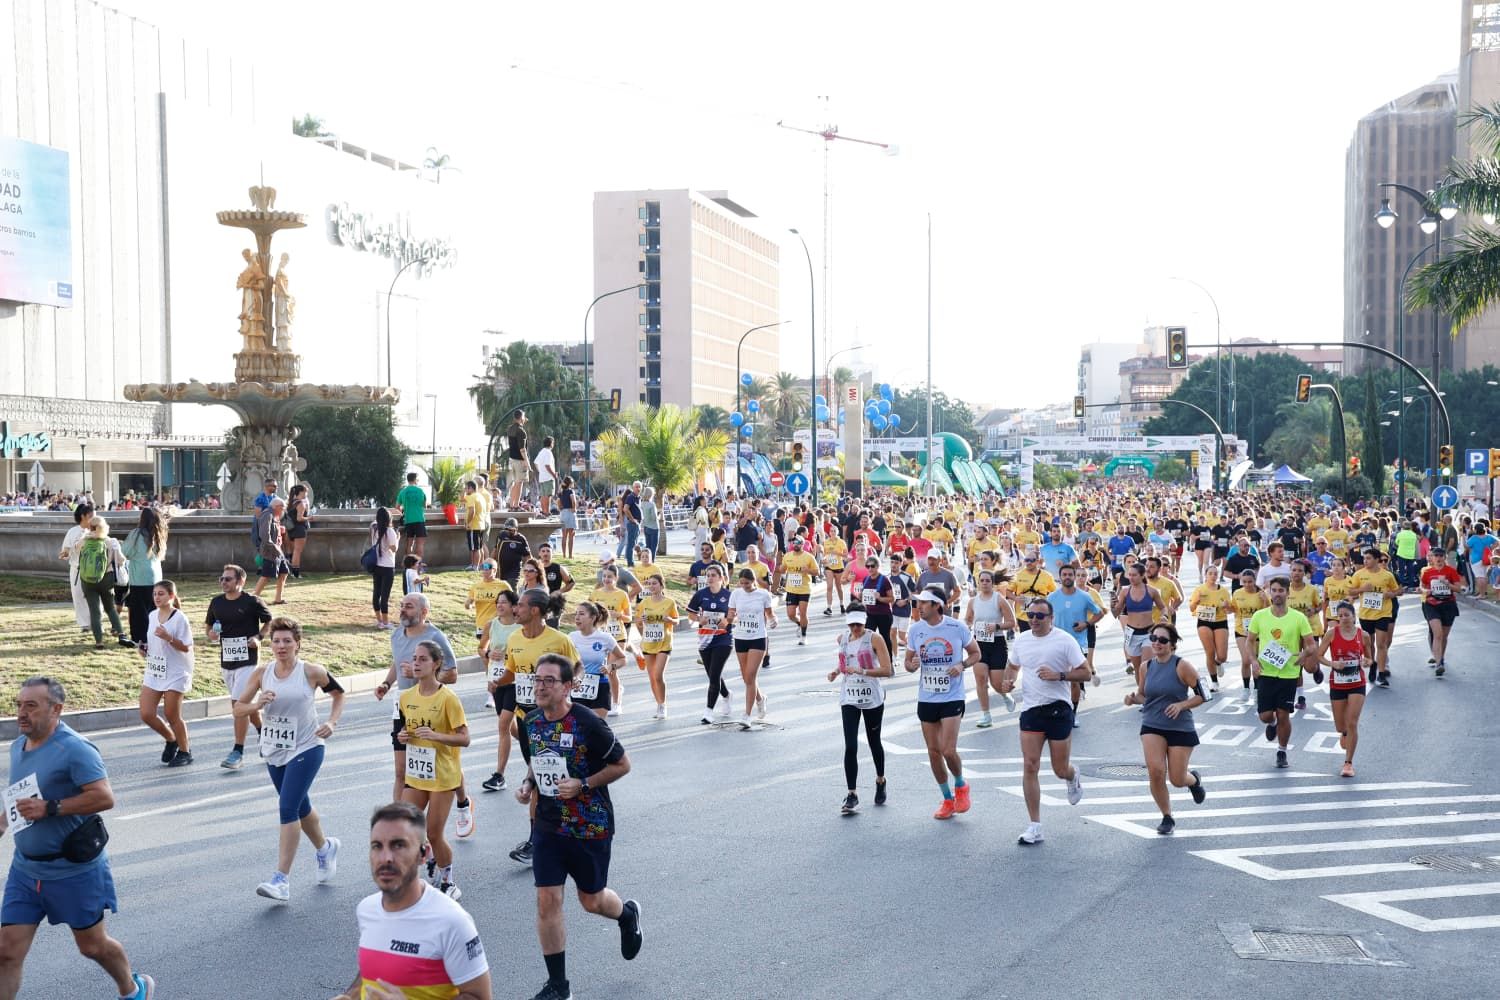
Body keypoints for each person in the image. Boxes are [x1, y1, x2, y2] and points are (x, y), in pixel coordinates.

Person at [0, 677, 155, 1000]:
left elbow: (104, 797)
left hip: (72, 871)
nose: (21, 713)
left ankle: (133, 988)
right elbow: (20, 798)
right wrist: (3, 821)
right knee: (6, 951)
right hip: (25, 871)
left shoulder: (75, 749)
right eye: (19, 705)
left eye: (31, 706)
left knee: (92, 946)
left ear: (56, 709)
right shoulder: (18, 746)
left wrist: (51, 808)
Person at [514, 653, 641, 1000]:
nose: (540, 687)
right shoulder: (531, 722)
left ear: (568, 686)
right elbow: (537, 761)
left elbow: (623, 765)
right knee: (547, 900)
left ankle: (627, 914)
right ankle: (559, 986)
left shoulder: (588, 723)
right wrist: (528, 785)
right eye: (537, 680)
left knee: (591, 900)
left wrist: (583, 784)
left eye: (549, 680)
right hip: (549, 826)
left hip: (589, 826)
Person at [330, 801, 490, 1000]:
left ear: (424, 854)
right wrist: (349, 995)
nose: (385, 858)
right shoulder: (366, 909)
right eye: (377, 846)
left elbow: (479, 996)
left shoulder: (452, 921)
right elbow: (374, 971)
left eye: (398, 845)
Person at [233, 616, 343, 902]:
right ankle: (325, 848)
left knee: (287, 807)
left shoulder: (311, 671)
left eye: (287, 641)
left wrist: (331, 722)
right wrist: (257, 705)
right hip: (275, 749)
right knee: (300, 806)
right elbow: (238, 709)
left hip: (307, 746)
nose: (281, 646)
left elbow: (338, 694)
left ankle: (281, 879)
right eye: (276, 641)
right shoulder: (262, 673)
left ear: (298, 644)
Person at [373, 594, 470, 838]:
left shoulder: (435, 637)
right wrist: (386, 683)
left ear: (424, 612)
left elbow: (452, 674)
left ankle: (463, 801)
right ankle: (399, 825)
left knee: (443, 762)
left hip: (433, 704)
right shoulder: (397, 634)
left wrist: (420, 675)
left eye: (409, 607)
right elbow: (397, 663)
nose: (403, 610)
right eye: (401, 606)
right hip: (404, 704)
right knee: (401, 770)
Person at [996, 597, 1087, 844]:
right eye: (1030, 615)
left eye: (1039, 616)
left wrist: (1059, 675)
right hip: (1032, 710)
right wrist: (1008, 681)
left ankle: (1072, 775)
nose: (1034, 620)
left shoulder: (1064, 640)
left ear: (1051, 618)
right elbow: (1013, 666)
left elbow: (1086, 673)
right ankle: (1034, 826)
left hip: (1058, 709)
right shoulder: (1022, 640)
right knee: (1030, 765)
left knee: (1060, 769)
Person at [502, 590, 581, 868]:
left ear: (535, 610)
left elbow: (577, 667)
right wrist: (496, 678)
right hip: (527, 720)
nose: (515, 609)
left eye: (520, 605)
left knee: (547, 776)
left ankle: (543, 838)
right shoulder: (514, 638)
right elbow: (512, 672)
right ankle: (543, 837)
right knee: (540, 777)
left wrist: (572, 684)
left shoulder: (559, 640)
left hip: (555, 720)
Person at [397, 640, 470, 901]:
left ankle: (448, 881)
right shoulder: (406, 697)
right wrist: (403, 735)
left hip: (442, 775)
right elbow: (407, 729)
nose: (416, 663)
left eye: (423, 659)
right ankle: (427, 856)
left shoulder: (448, 698)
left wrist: (437, 736)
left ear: (436, 664)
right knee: (405, 825)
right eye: (414, 658)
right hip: (417, 774)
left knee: (434, 832)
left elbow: (465, 738)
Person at [1122, 623, 1207, 835]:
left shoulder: (1183, 666)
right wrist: (1133, 699)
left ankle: (1193, 780)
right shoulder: (1146, 667)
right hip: (1152, 724)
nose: (1157, 643)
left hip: (1180, 727)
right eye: (1153, 638)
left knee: (1177, 779)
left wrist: (1181, 705)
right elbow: (1144, 696)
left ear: (1172, 644)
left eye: (1162, 640)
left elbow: (1204, 695)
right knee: (1156, 771)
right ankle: (1167, 816)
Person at [905, 588, 980, 821]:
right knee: (934, 752)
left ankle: (961, 785)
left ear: (937, 605)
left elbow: (976, 653)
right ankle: (947, 799)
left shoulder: (956, 627)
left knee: (948, 750)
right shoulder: (915, 630)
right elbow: (907, 662)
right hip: (927, 696)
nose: (919, 607)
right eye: (918, 603)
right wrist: (911, 665)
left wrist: (962, 665)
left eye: (924, 603)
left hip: (952, 696)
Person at [828, 605, 893, 815]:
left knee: (874, 742)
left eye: (858, 624)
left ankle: (880, 780)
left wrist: (863, 671)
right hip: (849, 697)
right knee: (850, 746)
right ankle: (852, 794)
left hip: (871, 697)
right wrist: (836, 671)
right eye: (851, 624)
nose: (855, 628)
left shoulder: (875, 639)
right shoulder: (842, 639)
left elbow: (888, 670)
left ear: (864, 622)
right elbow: (846, 662)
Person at [206, 564, 273, 768]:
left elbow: (269, 621)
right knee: (245, 705)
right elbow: (209, 626)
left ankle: (238, 752)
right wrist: (211, 634)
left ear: (240, 581)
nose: (223, 582)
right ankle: (264, 733)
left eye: (228, 579)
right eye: (221, 579)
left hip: (248, 661)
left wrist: (258, 637)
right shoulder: (216, 602)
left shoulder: (252, 601)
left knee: (238, 704)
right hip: (227, 661)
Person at [1249, 576, 1317, 770]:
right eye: (1274, 590)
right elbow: (1250, 641)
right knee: (1265, 715)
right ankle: (1272, 724)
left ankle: (1282, 751)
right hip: (1266, 672)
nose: (1277, 594)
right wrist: (1253, 661)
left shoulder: (1298, 618)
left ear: (1288, 593)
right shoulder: (1260, 616)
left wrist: (1304, 654)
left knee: (1283, 714)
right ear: (1269, 592)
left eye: (1281, 590)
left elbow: (1311, 645)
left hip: (1288, 674)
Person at [137, 580, 194, 767]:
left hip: (176, 671)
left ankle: (185, 751)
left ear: (171, 596)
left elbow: (186, 647)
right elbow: (154, 643)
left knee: (172, 714)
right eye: (154, 594)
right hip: (155, 669)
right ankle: (171, 739)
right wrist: (144, 650)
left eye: (161, 594)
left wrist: (169, 638)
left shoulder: (180, 618)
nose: (156, 597)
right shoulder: (152, 615)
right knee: (146, 713)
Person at [1314, 600, 1371, 778]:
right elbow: (1318, 655)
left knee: (1352, 722)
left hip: (1357, 682)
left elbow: (1370, 658)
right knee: (1341, 726)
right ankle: (1344, 733)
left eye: (1347, 615)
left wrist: (1366, 661)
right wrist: (1332, 663)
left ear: (1354, 616)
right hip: (1337, 683)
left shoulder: (1363, 635)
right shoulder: (1331, 634)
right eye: (1340, 616)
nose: (1344, 618)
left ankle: (1348, 763)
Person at [1047, 564, 1103, 724]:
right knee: (1057, 680)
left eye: (1070, 574)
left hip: (1077, 643)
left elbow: (1099, 613)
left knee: (1073, 680)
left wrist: (1086, 623)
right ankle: (1057, 710)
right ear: (1060, 577)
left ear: (1074, 576)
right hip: (1056, 643)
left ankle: (1073, 713)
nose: (1067, 577)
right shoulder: (1052, 597)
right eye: (1064, 574)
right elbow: (1045, 616)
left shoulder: (1084, 596)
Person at [965, 568, 1018, 726]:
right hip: (979, 644)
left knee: (996, 683)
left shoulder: (999, 599)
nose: (985, 583)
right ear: (978, 582)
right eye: (982, 580)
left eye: (988, 580)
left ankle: (1005, 696)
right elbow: (968, 619)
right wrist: (968, 625)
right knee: (981, 679)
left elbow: (1012, 622)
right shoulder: (973, 601)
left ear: (993, 583)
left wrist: (996, 626)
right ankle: (986, 715)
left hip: (997, 643)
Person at [482, 590, 522, 792]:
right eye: (498, 602)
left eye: (504, 602)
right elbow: (481, 648)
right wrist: (489, 653)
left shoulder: (521, 626)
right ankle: (533, 744)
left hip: (516, 680)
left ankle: (499, 775)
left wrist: (509, 657)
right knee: (510, 728)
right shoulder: (491, 625)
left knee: (503, 723)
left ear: (514, 606)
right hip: (497, 681)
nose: (499, 605)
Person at [726, 568, 776, 730]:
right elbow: (731, 614)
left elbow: (769, 613)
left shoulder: (763, 594)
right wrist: (730, 618)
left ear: (753, 581)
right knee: (747, 678)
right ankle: (760, 699)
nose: (744, 586)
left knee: (751, 674)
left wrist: (773, 620)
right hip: (741, 637)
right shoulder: (736, 594)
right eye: (741, 583)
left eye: (747, 583)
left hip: (758, 638)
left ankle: (747, 715)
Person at [686, 565, 736, 724]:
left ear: (721, 578)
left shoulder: (729, 596)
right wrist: (698, 619)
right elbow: (690, 613)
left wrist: (727, 620)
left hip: (723, 639)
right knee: (713, 674)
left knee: (714, 676)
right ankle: (726, 695)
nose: (710, 578)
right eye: (708, 575)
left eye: (713, 575)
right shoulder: (700, 594)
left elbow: (737, 615)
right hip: (705, 639)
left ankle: (708, 712)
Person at [72, 515, 129, 650]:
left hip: (87, 580)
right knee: (110, 608)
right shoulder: (111, 541)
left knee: (94, 610)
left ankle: (99, 641)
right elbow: (121, 560)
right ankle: (121, 634)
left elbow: (75, 553)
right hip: (106, 578)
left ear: (90, 527)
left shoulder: (83, 541)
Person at [1350, 546, 1401, 687]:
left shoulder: (1387, 575)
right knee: (1369, 644)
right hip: (1366, 614)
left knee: (1381, 644)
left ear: (1377, 560)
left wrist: (1391, 594)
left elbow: (1398, 590)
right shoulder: (1359, 574)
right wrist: (1362, 589)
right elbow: (1351, 591)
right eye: (1364, 558)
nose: (1365, 561)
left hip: (1383, 613)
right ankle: (1372, 664)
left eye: (1368, 558)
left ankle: (1382, 673)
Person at [569, 602, 626, 719]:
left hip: (599, 685)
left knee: (596, 725)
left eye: (581, 614)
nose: (577, 617)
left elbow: (623, 659)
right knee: (578, 726)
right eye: (576, 614)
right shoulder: (571, 637)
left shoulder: (605, 638)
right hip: (577, 686)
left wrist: (610, 667)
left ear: (593, 618)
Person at [634, 572, 678, 719]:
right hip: (648, 643)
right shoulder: (644, 603)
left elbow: (677, 621)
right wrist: (642, 621)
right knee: (652, 677)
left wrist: (669, 619)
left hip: (664, 642)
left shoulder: (669, 602)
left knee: (658, 675)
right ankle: (659, 704)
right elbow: (638, 622)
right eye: (649, 584)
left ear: (661, 585)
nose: (652, 586)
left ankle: (663, 704)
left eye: (655, 583)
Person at [121, 506, 166, 647]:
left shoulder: (136, 534)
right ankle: (155, 637)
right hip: (156, 577)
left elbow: (125, 552)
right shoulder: (159, 534)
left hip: (139, 577)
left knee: (138, 612)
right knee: (154, 611)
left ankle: (139, 638)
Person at [1420, 547, 1464, 677]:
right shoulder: (1427, 572)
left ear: (1444, 557)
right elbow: (1422, 586)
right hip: (1431, 605)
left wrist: (1447, 584)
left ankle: (1441, 657)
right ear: (1432, 558)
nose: (1438, 558)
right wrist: (1425, 591)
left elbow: (1459, 589)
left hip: (1448, 605)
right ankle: (1439, 663)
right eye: (1436, 556)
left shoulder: (1451, 571)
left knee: (1443, 636)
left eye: (1441, 556)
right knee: (1437, 634)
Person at [1188, 564, 1231, 693]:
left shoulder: (1223, 591)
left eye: (1215, 573)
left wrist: (1226, 606)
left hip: (1220, 621)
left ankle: (1218, 663)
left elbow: (1230, 610)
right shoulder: (1200, 589)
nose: (1213, 576)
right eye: (1210, 573)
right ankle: (1214, 681)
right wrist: (1196, 602)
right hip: (1204, 622)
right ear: (1205, 575)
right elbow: (1191, 608)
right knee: (1210, 652)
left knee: (1222, 656)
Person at [59, 502, 94, 637]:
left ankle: (95, 622)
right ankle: (84, 624)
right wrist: (65, 553)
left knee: (94, 596)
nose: (93, 517)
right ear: (83, 516)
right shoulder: (72, 532)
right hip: (77, 569)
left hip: (94, 569)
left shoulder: (96, 530)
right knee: (79, 596)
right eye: (91, 515)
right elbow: (65, 550)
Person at [252, 497, 291, 605]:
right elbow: (264, 535)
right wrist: (274, 547)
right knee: (266, 575)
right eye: (283, 508)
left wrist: (279, 529)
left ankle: (278, 599)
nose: (284, 510)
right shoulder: (267, 515)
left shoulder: (274, 515)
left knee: (284, 572)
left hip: (277, 549)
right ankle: (253, 599)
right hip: (270, 551)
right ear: (276, 507)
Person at [369, 507, 400, 630]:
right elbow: (394, 549)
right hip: (387, 566)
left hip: (377, 565)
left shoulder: (374, 529)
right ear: (389, 519)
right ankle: (386, 622)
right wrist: (397, 538)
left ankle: (379, 620)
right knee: (385, 596)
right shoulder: (390, 531)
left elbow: (375, 522)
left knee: (376, 593)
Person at [395, 472, 429, 559]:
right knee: (420, 544)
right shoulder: (420, 491)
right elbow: (424, 506)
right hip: (419, 520)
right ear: (415, 480)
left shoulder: (402, 492)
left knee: (409, 544)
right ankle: (418, 564)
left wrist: (403, 513)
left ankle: (409, 564)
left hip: (408, 520)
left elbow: (397, 507)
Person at [286, 483, 313, 579]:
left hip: (291, 530)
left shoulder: (291, 502)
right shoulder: (300, 503)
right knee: (297, 552)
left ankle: (292, 573)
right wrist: (309, 518)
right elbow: (299, 518)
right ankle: (296, 574)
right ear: (301, 492)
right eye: (306, 492)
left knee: (294, 551)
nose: (306, 494)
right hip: (299, 529)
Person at [507, 409, 530, 509]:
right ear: (521, 418)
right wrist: (526, 461)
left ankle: (511, 504)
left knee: (515, 483)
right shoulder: (521, 431)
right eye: (524, 417)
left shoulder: (510, 429)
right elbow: (522, 449)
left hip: (512, 459)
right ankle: (516, 505)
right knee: (519, 483)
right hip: (520, 460)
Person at [461, 481, 486, 570]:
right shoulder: (480, 496)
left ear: (471, 488)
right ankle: (478, 565)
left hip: (473, 525)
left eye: (466, 488)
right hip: (480, 525)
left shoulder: (472, 497)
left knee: (475, 548)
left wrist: (468, 522)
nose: (465, 490)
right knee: (479, 547)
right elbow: (462, 500)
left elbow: (472, 511)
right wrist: (463, 491)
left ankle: (475, 566)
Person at [535, 435, 558, 515]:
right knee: (548, 496)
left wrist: (541, 471)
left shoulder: (541, 452)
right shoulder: (548, 452)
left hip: (542, 477)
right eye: (553, 443)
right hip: (548, 477)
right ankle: (547, 512)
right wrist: (554, 475)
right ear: (551, 443)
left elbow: (536, 463)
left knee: (543, 495)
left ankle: (544, 511)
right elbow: (547, 466)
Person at [558, 476, 579, 557]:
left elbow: (558, 502)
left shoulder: (561, 491)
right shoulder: (570, 491)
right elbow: (573, 500)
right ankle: (570, 555)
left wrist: (561, 508)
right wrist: (574, 508)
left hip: (563, 513)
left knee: (564, 536)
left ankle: (564, 555)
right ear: (570, 483)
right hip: (570, 513)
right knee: (571, 536)